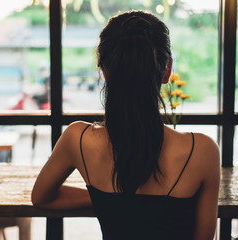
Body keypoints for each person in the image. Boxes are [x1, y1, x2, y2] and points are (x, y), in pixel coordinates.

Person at [31, 10, 220, 240]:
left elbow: (42, 197)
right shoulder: (202, 151)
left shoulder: (77, 138)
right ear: (167, 69)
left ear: (104, 71)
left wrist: (103, 199)